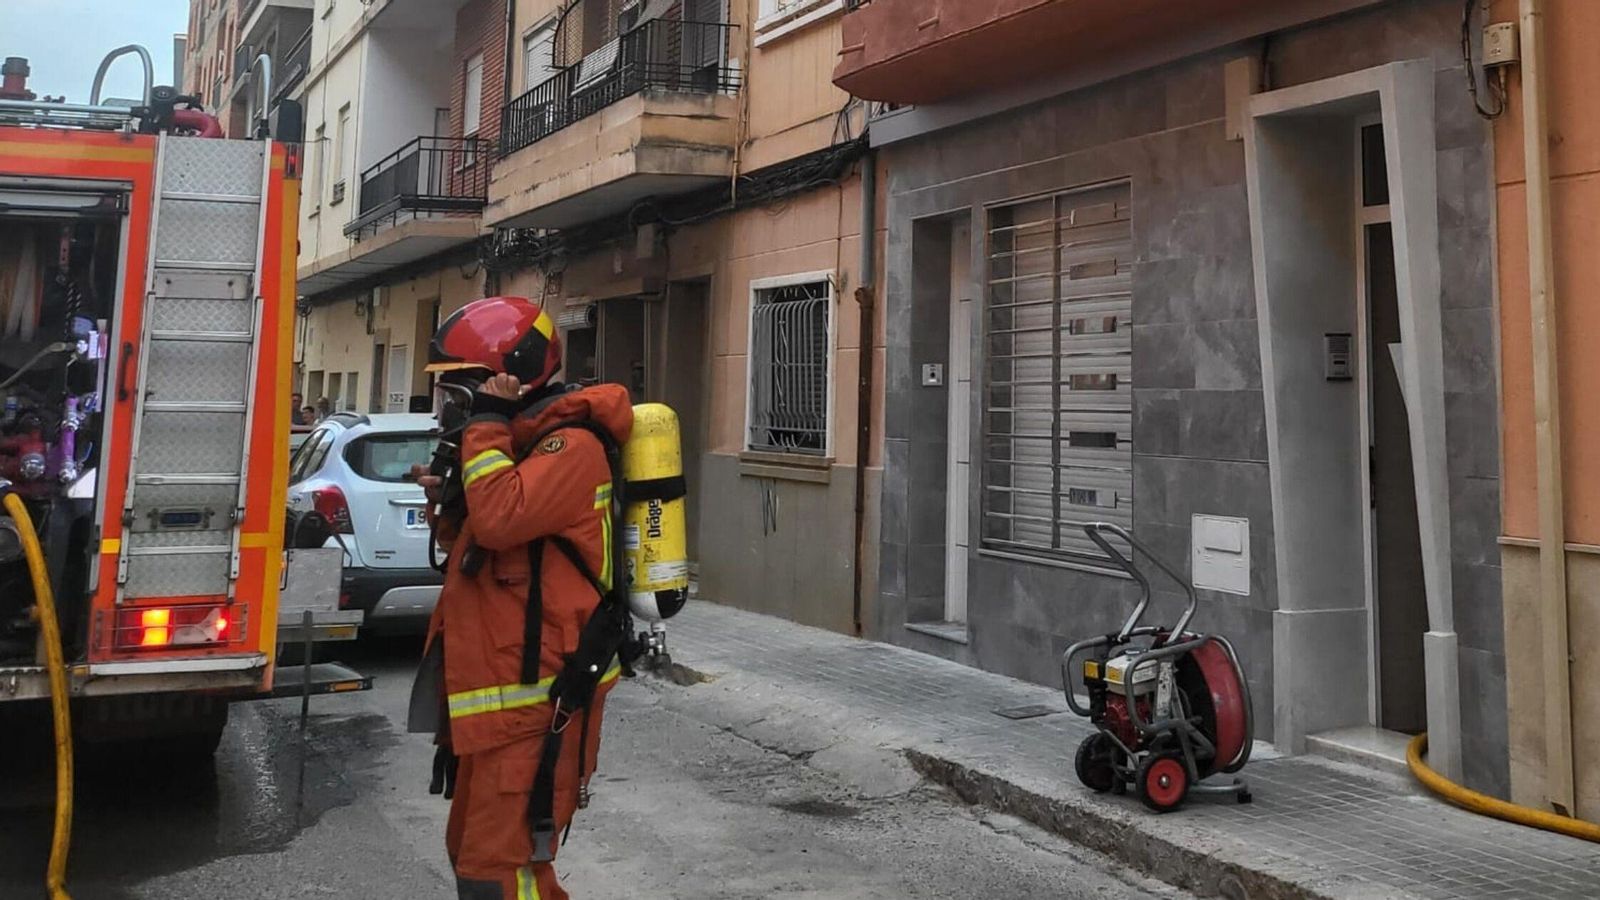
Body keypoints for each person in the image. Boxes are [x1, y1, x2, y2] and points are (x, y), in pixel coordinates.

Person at [410, 296, 632, 900]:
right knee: (480, 861)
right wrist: (452, 498)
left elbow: (504, 519)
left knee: (498, 872)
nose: (454, 408)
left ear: (512, 377)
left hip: (540, 702)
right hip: (499, 703)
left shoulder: (570, 449)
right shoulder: (518, 446)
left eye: (464, 391)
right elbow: (478, 545)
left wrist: (485, 427)